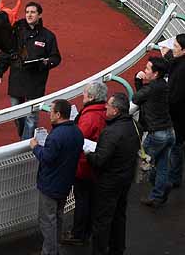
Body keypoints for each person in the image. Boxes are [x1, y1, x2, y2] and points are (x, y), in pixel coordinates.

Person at [0, 2, 61, 140]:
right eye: (27, 12)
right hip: (17, 78)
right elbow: (8, 51)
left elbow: (56, 57)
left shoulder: (48, 36)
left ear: (40, 15)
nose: (29, 15)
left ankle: (25, 143)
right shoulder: (16, 31)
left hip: (35, 81)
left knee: (32, 116)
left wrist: (46, 62)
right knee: (16, 113)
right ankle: (24, 138)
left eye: (33, 12)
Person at [85, 92, 140, 255]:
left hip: (109, 182)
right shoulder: (135, 125)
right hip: (125, 179)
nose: (105, 107)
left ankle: (99, 251)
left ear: (116, 110)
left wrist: (88, 154)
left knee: (102, 220)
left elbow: (99, 160)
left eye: (108, 105)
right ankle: (117, 248)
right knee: (119, 215)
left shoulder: (111, 132)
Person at [30, 99, 84, 255]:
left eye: (51, 111)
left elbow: (46, 157)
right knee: (58, 217)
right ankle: (55, 249)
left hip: (50, 185)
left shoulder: (56, 136)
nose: (49, 114)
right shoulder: (77, 132)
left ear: (58, 114)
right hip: (65, 183)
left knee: (47, 221)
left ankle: (49, 251)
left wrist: (35, 147)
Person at [63, 81, 108, 246]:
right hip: (96, 165)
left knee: (82, 200)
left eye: (84, 94)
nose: (82, 96)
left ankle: (78, 234)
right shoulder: (104, 112)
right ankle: (85, 231)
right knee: (90, 200)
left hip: (84, 165)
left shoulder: (90, 116)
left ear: (91, 97)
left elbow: (78, 139)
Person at [133, 56, 174, 207]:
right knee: (162, 165)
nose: (145, 70)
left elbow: (137, 98)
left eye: (148, 68)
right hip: (169, 131)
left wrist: (138, 80)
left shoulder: (151, 88)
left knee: (145, 163)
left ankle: (160, 188)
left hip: (157, 134)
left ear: (156, 74)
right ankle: (158, 193)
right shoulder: (162, 85)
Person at [165, 33, 185, 190]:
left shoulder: (184, 68)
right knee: (175, 148)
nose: (173, 49)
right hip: (180, 115)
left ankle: (173, 178)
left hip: (177, 116)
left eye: (176, 46)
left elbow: (177, 96)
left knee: (175, 148)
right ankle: (174, 177)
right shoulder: (184, 63)